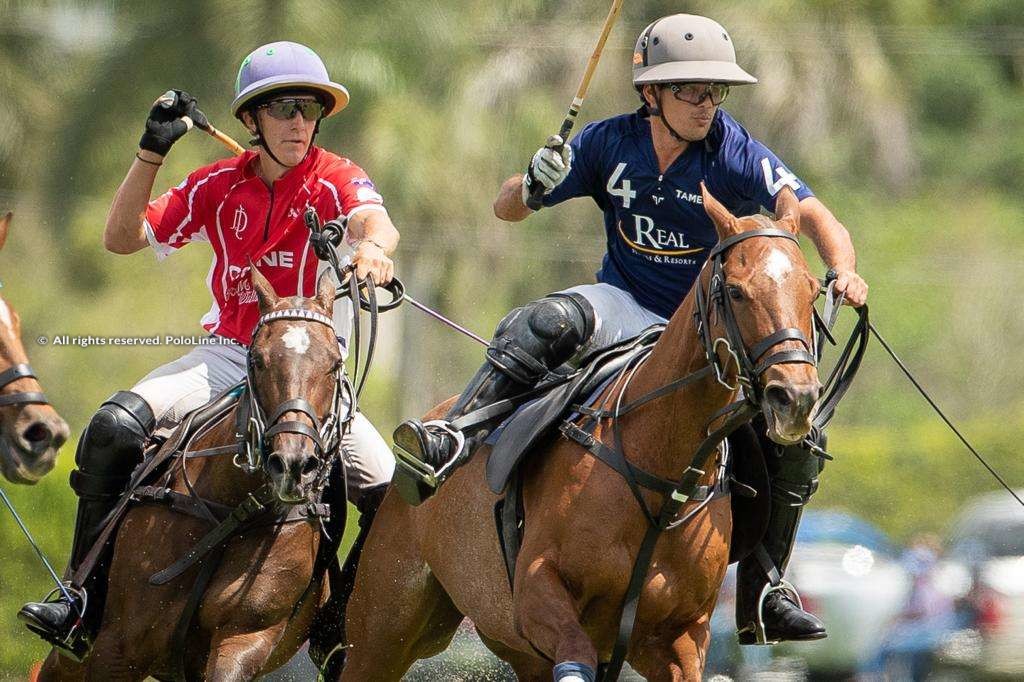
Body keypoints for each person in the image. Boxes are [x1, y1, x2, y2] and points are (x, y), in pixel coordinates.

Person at [392, 14, 868, 645]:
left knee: (799, 441)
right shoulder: (606, 143)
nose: (707, 104)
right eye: (692, 91)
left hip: (703, 334)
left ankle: (764, 585)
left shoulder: (733, 150)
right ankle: (454, 436)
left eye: (715, 91)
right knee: (544, 321)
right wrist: (531, 182)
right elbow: (506, 209)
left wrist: (844, 271)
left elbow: (814, 216)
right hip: (622, 303)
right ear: (652, 93)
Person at [18, 41, 398, 658]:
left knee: (390, 489)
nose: (299, 122)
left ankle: (337, 626)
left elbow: (373, 221)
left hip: (309, 374)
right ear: (251, 120)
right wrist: (151, 151)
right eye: (283, 109)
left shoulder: (334, 178)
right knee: (113, 426)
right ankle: (82, 600)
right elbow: (120, 238)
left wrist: (375, 249)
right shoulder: (216, 185)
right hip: (226, 355)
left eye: (308, 108)